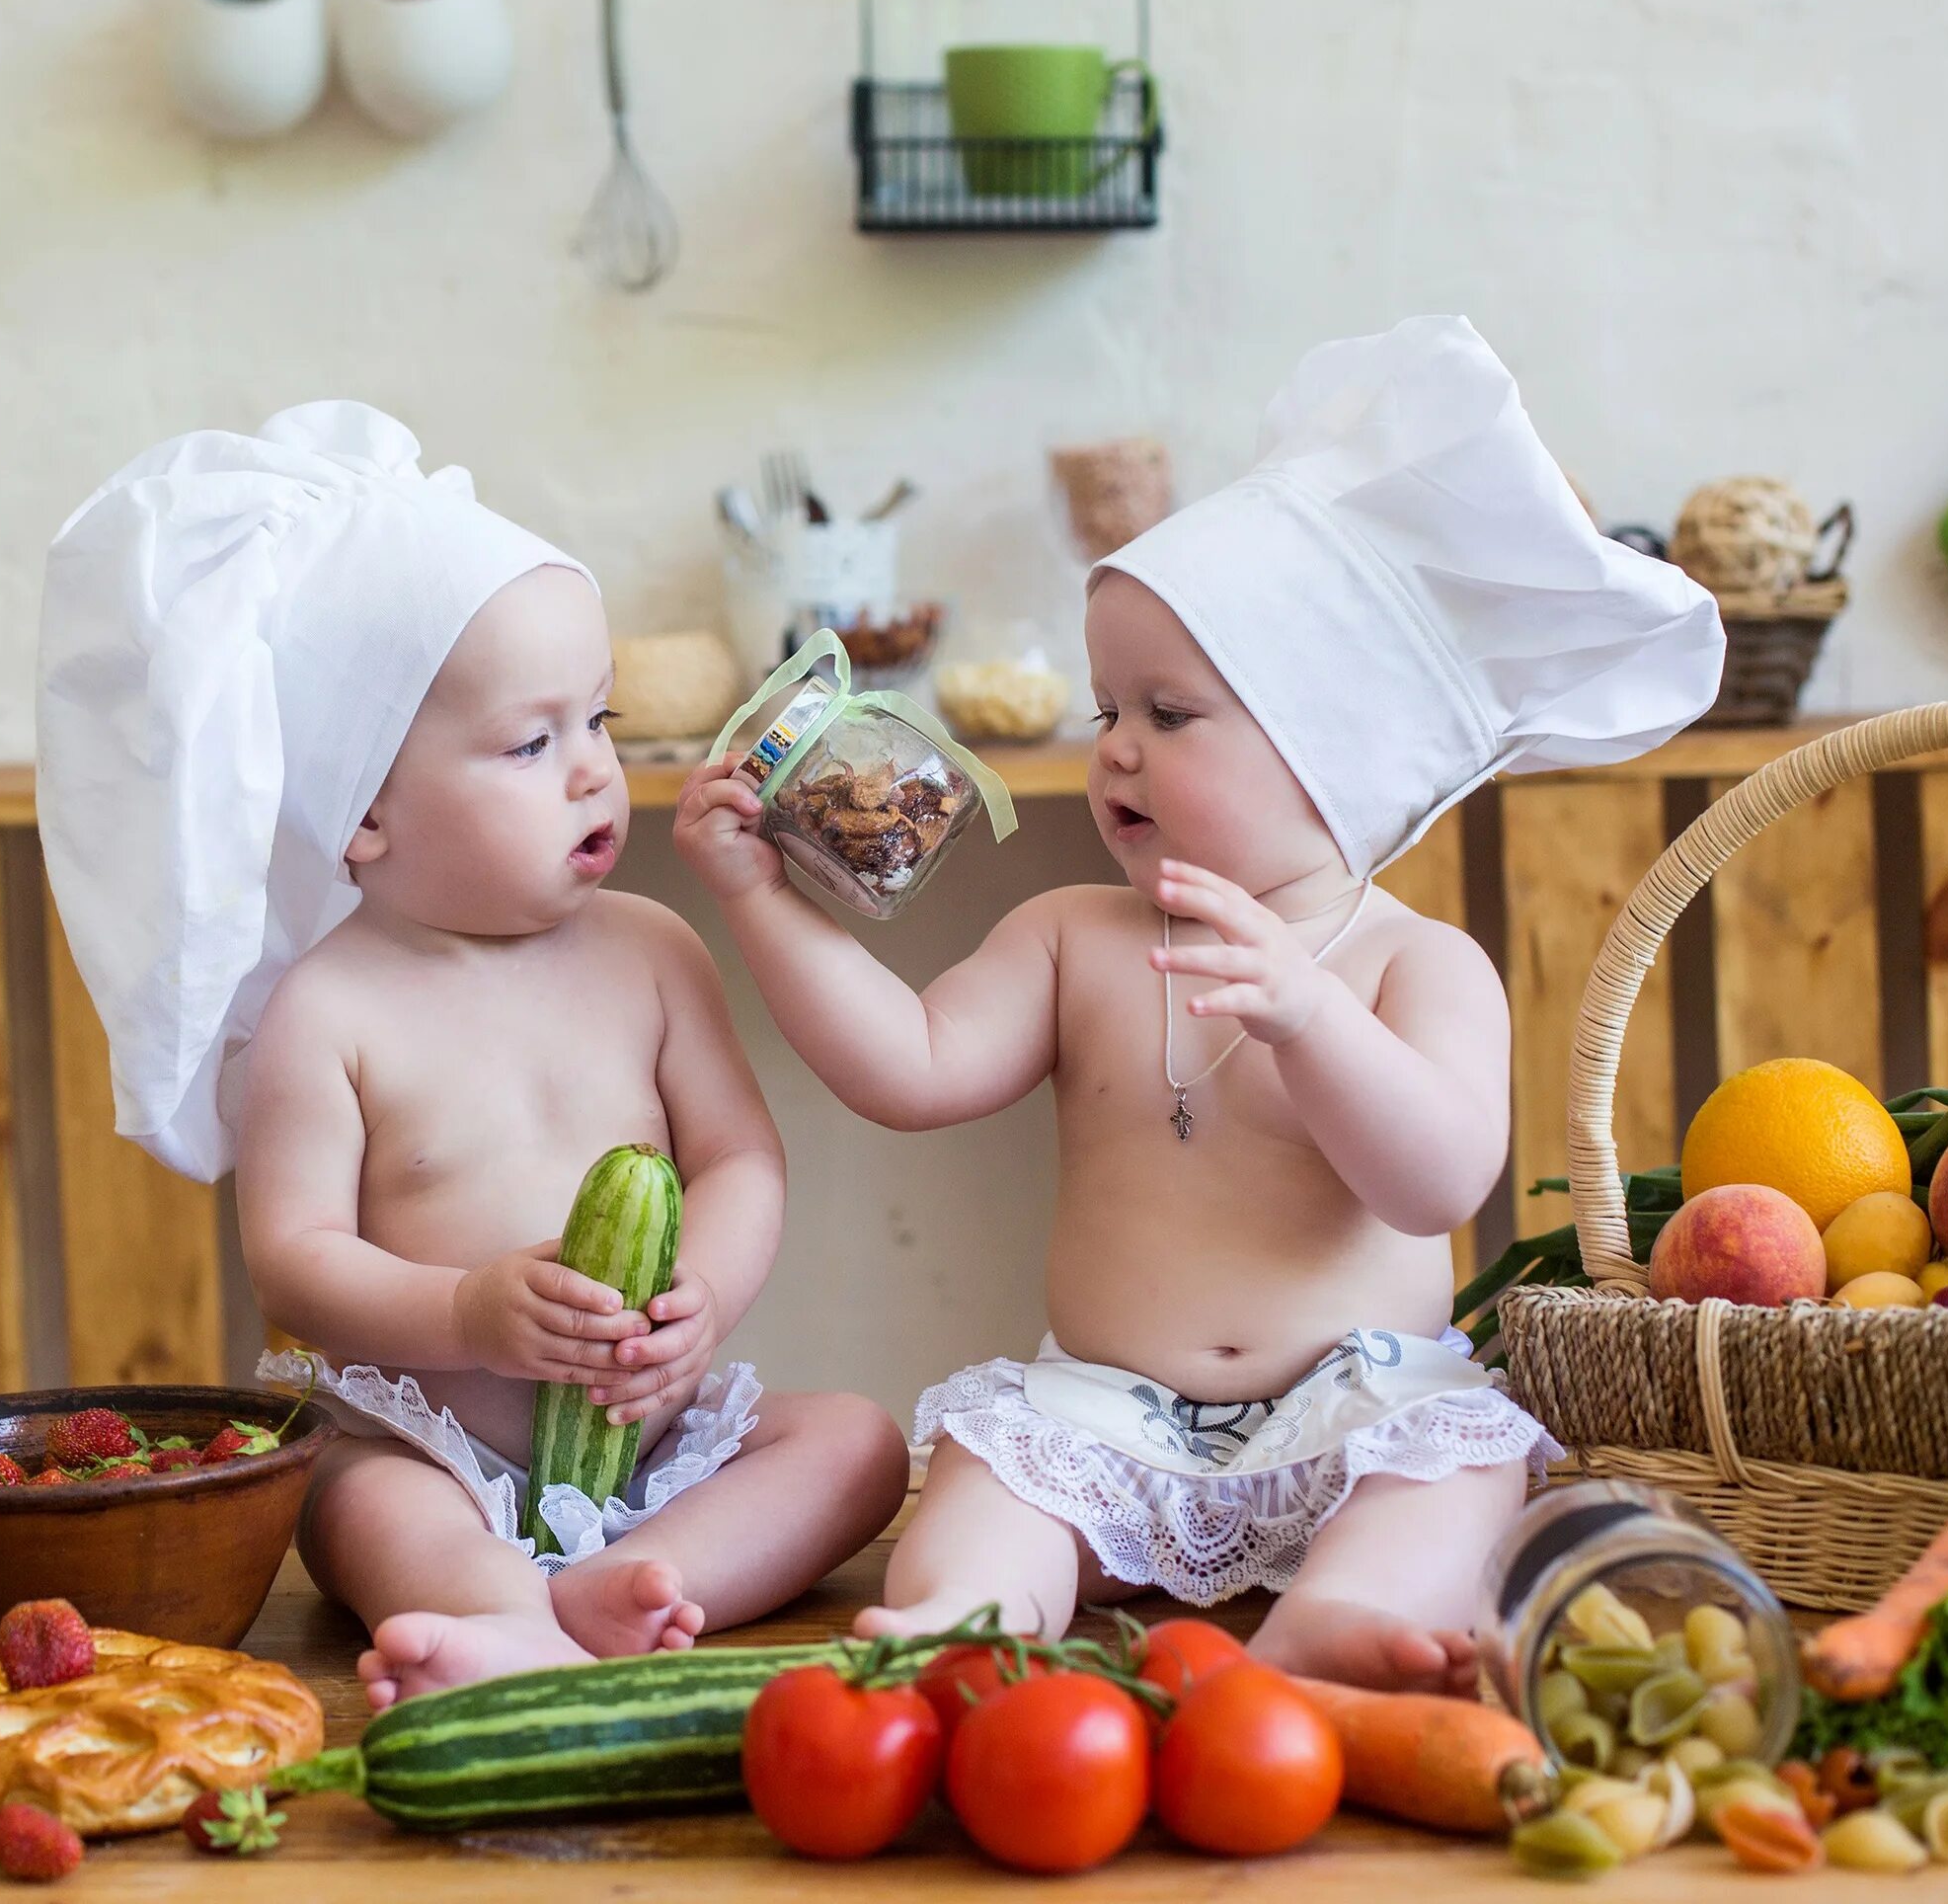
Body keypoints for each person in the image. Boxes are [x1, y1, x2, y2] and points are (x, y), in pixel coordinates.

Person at [673, 319, 1724, 1690]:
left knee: (1453, 1476)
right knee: (988, 1484)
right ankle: (966, 1625)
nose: (1114, 746)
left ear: (1330, 752)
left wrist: (1313, 1018)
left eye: (1170, 714)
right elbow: (909, 1068)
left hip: (1363, 1407)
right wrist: (760, 898)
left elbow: (1438, 1178)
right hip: (1104, 1418)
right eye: (1111, 707)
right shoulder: (1072, 935)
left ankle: (1342, 1621)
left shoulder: (1416, 964)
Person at [40, 403, 906, 1707]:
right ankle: (504, 1607)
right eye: (531, 741)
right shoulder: (325, 1012)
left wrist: (708, 1304)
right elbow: (295, 1255)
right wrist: (464, 1315)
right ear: (365, 810)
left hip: (647, 1435)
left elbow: (739, 1161)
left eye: (601, 723)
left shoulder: (654, 951)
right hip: (431, 1441)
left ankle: (640, 1581)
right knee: (346, 1495)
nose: (593, 775)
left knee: (855, 1446)